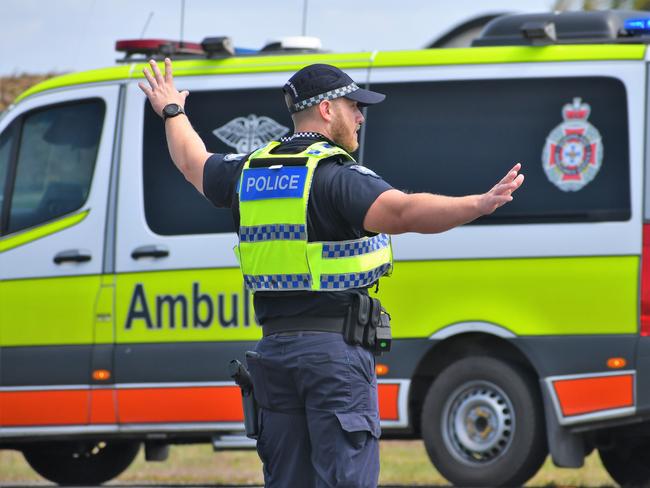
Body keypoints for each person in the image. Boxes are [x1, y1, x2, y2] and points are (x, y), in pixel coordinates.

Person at [139, 58, 524, 488]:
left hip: (275, 355)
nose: (360, 116)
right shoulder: (335, 177)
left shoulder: (250, 171)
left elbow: (193, 162)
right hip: (333, 357)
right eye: (353, 105)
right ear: (326, 110)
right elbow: (402, 211)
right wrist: (479, 203)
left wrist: (173, 111)